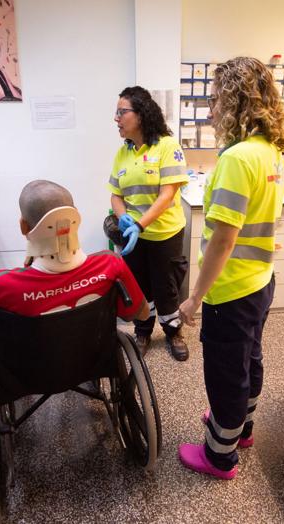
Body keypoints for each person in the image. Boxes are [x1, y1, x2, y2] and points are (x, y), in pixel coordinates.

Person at [177, 57, 284, 479]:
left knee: (226, 372)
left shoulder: (237, 158)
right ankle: (242, 429)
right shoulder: (271, 153)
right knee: (250, 358)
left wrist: (195, 298)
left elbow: (223, 239)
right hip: (262, 280)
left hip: (233, 289)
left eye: (214, 100)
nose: (210, 110)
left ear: (234, 101)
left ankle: (220, 455)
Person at [0, 180, 148, 334]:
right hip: (94, 357)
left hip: (34, 371)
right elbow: (143, 313)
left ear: (24, 227)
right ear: (76, 219)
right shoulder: (109, 264)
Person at [108, 86, 190, 361]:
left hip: (164, 233)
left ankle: (173, 331)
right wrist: (124, 218)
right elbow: (115, 194)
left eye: (122, 112)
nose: (116, 118)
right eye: (116, 112)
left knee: (166, 287)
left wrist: (140, 224)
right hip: (135, 235)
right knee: (139, 286)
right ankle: (143, 330)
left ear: (141, 114)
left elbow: (168, 195)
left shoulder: (167, 146)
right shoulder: (123, 153)